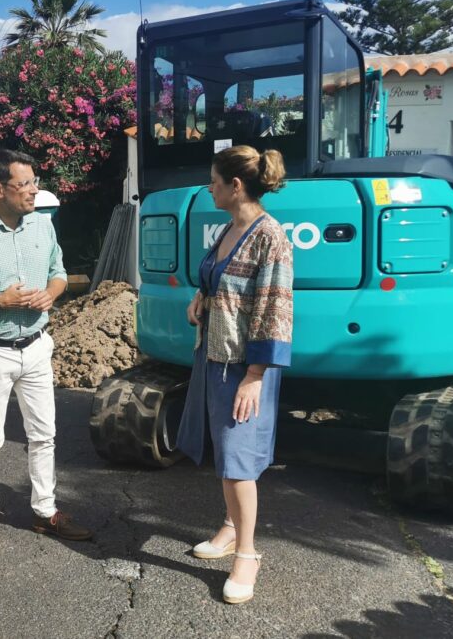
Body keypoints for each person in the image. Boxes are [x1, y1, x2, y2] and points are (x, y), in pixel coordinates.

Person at [0, 149, 93, 547]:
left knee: (44, 434)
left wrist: (50, 294)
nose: (33, 190)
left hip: (38, 346)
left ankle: (45, 512)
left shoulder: (43, 227)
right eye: (23, 184)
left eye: (34, 181)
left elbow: (59, 272)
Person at [175, 145, 293, 604]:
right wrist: (199, 300)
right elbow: (215, 278)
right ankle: (229, 527)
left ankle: (247, 554)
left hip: (244, 366)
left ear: (235, 186)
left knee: (239, 464)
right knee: (226, 455)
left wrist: (255, 375)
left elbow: (275, 310)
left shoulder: (270, 237)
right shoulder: (230, 228)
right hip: (214, 354)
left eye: (214, 181)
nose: (209, 187)